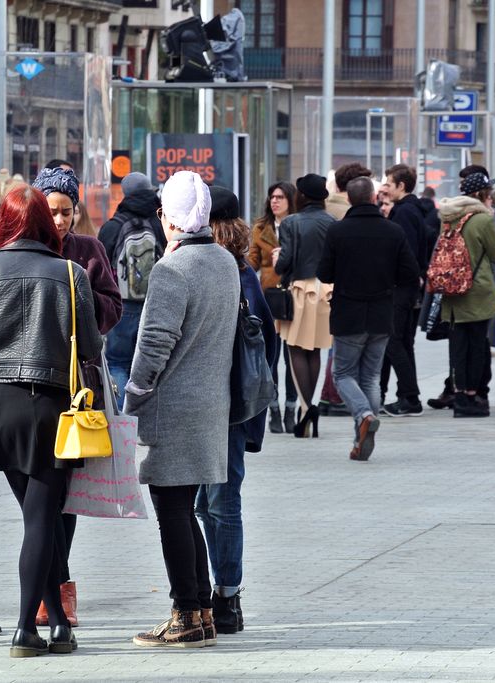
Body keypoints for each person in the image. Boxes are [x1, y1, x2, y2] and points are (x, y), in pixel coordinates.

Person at [0, 184, 101, 657]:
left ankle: (58, 623)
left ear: (4, 222)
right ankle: (26, 627)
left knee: (35, 518)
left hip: (0, 404)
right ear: (46, 221)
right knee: (41, 520)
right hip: (52, 408)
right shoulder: (69, 272)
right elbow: (92, 347)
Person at [126, 170, 240, 649]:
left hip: (171, 408)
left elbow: (154, 342)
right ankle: (203, 612)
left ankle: (186, 614)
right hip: (212, 405)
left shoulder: (171, 270)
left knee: (172, 512)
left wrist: (132, 394)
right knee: (185, 510)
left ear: (168, 218)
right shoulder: (226, 262)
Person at [31, 165, 121, 629]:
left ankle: (60, 590)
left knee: (65, 493)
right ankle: (52, 587)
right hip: (31, 386)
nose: (61, 221)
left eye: (67, 211)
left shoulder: (89, 250)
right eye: (53, 212)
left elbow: (113, 304)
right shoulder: (23, 251)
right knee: (39, 496)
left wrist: (80, 304)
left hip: (77, 388)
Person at [194, 185, 278, 635]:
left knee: (216, 504)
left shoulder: (222, 270)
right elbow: (268, 343)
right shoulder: (240, 270)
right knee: (214, 504)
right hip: (232, 406)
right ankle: (223, 595)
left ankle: (223, 595)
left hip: (212, 404)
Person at [318, 176, 419, 461]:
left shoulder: (338, 232)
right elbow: (410, 273)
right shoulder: (393, 231)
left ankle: (364, 416)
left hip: (348, 312)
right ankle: (360, 438)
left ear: (349, 199)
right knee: (371, 377)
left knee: (343, 374)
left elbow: (325, 273)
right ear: (374, 197)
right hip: (381, 312)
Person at [438, 172, 495, 418]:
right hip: (477, 292)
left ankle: (459, 398)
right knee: (477, 347)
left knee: (458, 348)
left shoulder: (447, 218)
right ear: (481, 195)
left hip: (452, 292)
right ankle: (472, 397)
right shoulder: (483, 220)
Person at [273, 173, 335, 437]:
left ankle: (307, 407)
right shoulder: (333, 222)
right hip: (326, 292)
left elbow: (284, 263)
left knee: (296, 349)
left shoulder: (291, 223)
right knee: (315, 350)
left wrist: (277, 259)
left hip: (299, 290)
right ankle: (307, 411)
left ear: (301, 196)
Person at [98, 171, 165, 406]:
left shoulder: (114, 225)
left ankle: (120, 421)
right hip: (155, 305)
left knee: (117, 361)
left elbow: (100, 267)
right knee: (151, 365)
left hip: (122, 306)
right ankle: (145, 416)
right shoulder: (160, 223)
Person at [318, 164, 372, 416]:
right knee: (358, 369)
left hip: (327, 291)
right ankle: (356, 408)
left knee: (335, 350)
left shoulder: (324, 208)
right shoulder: (352, 215)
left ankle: (331, 397)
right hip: (357, 296)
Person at [247, 180, 298, 434]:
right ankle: (274, 411)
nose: (274, 201)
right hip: (270, 300)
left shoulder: (298, 226)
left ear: (291, 200)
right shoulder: (260, 228)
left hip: (295, 297)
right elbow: (253, 262)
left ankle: (292, 408)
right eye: (272, 197)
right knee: (271, 358)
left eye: (280, 197)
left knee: (293, 359)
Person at [381, 163, 428, 417]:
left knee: (394, 341)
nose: (385, 188)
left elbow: (405, 253)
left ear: (401, 185)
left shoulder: (404, 213)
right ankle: (406, 395)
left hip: (401, 287)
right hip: (408, 286)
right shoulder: (411, 210)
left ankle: (410, 396)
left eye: (389, 183)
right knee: (403, 342)